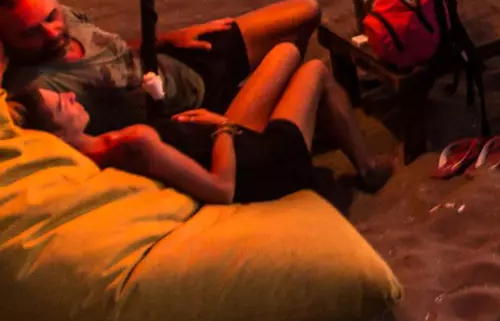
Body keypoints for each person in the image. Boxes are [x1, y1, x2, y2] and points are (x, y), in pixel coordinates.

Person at [15, 41, 390, 204]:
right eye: (61, 105)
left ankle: (318, 126)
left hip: (221, 141)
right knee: (315, 71)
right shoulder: (130, 143)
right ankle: (368, 168)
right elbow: (222, 189)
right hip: (259, 161)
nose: (71, 96)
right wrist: (224, 127)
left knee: (285, 53)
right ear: (57, 135)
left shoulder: (97, 149)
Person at [0, 0, 322, 135]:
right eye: (31, 33)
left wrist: (168, 38)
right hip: (192, 116)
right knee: (293, 58)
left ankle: (276, 101)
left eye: (52, 16)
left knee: (306, 10)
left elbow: (113, 47)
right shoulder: (39, 87)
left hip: (179, 62)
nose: (53, 31)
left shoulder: (60, 14)